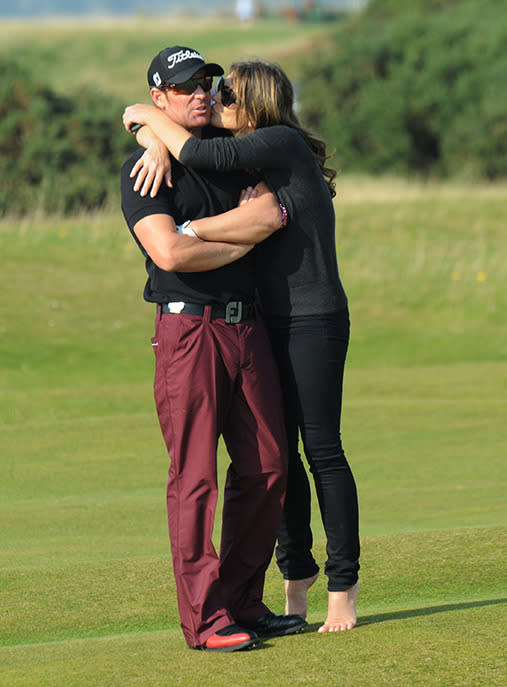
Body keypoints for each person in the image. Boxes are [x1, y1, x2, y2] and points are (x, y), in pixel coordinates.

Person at [123, 58, 361, 633]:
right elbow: (171, 255)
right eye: (191, 88)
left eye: (214, 87)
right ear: (161, 96)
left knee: (281, 461)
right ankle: (213, 619)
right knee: (199, 476)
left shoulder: (253, 150)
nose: (207, 95)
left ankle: (277, 599)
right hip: (199, 328)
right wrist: (145, 132)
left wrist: (146, 125)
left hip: (276, 323)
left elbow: (267, 215)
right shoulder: (151, 167)